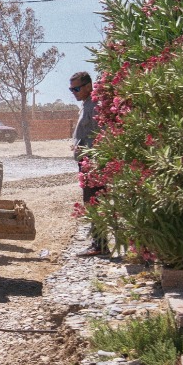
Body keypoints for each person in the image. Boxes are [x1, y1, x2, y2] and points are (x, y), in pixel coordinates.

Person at [70, 71, 108, 257]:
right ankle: (98, 243)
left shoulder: (94, 106)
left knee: (94, 202)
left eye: (76, 89)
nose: (74, 93)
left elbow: (102, 134)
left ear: (88, 86)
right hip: (87, 162)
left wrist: (94, 160)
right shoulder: (86, 105)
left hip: (92, 163)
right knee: (91, 202)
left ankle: (100, 245)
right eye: (71, 90)